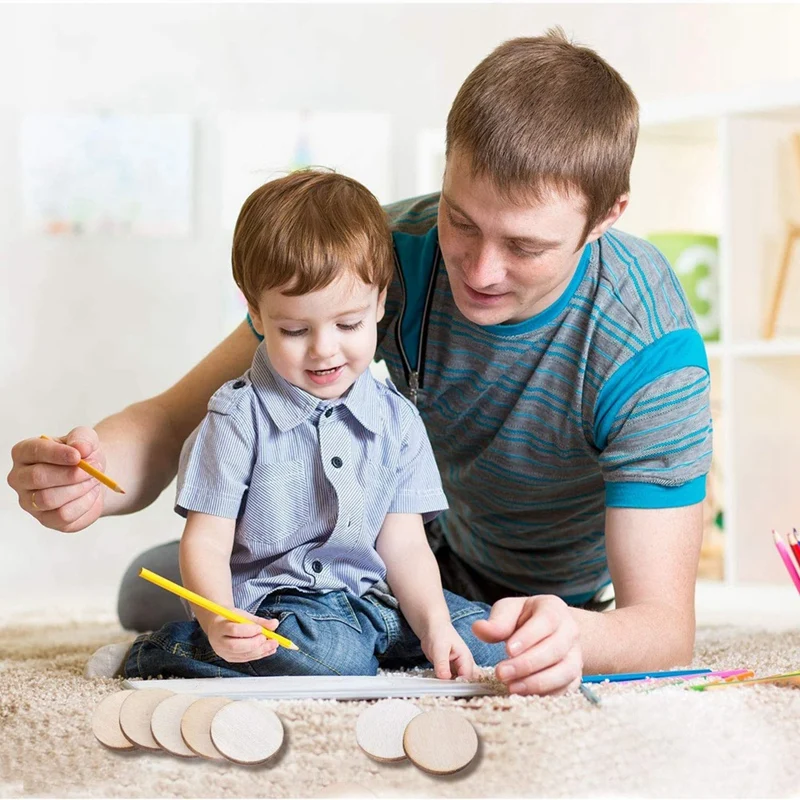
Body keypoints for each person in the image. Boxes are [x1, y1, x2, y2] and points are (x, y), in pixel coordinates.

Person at [8, 28, 712, 696]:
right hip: (386, 552)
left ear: (606, 217)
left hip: (536, 592)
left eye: (525, 246)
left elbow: (661, 629)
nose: (481, 269)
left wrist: (575, 635)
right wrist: (87, 479)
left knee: (484, 637)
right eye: (461, 219)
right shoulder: (388, 254)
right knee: (147, 588)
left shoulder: (649, 350)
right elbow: (173, 420)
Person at [119, 169, 507, 681]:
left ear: (380, 304)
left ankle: (382, 644)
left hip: (371, 603)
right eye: (296, 329)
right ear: (257, 314)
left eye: (348, 325)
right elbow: (206, 543)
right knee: (333, 657)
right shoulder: (237, 419)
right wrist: (218, 620)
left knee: (488, 639)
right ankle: (164, 651)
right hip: (278, 609)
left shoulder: (397, 419)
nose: (325, 349)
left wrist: (435, 625)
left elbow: (405, 546)